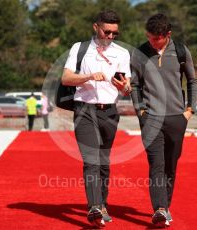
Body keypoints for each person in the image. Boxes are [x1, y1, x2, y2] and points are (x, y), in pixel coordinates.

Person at [61, 10, 131, 227]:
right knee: (91, 159)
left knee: (103, 162)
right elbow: (66, 78)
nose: (110, 37)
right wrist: (88, 76)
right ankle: (94, 207)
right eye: (107, 32)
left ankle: (102, 204)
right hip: (85, 110)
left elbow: (126, 86)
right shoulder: (79, 49)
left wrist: (125, 87)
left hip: (110, 111)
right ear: (96, 27)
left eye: (115, 34)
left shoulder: (122, 53)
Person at [130, 13, 197, 228]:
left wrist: (190, 110)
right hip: (151, 118)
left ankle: (164, 208)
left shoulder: (180, 51)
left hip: (177, 118)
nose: (151, 42)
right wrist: (140, 111)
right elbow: (134, 85)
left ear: (167, 35)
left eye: (155, 38)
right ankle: (159, 209)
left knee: (170, 165)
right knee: (156, 165)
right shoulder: (140, 53)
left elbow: (192, 80)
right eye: (149, 37)